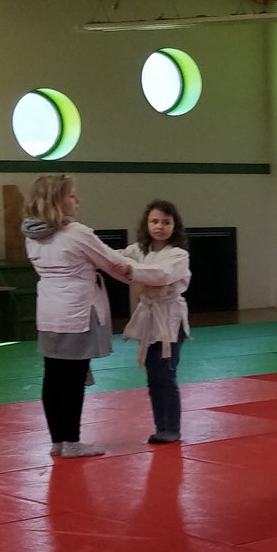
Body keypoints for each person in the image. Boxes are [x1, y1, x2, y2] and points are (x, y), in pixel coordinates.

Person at [19, 173, 142, 459]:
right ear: (56, 200)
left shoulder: (32, 235)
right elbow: (111, 263)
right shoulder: (76, 233)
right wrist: (145, 270)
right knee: (73, 379)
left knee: (53, 377)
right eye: (71, 194)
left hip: (49, 314)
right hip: (76, 313)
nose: (78, 200)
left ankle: (58, 440)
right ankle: (72, 441)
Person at [121, 198, 191, 445]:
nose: (159, 226)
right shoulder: (138, 251)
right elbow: (115, 257)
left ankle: (172, 427)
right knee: (153, 376)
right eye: (154, 221)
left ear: (174, 225)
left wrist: (131, 270)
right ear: (146, 224)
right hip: (149, 318)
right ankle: (161, 426)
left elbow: (162, 275)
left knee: (166, 374)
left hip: (170, 318)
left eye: (166, 222)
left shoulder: (178, 254)